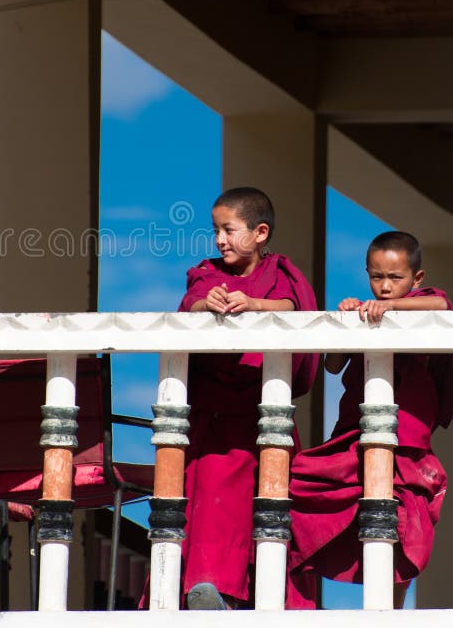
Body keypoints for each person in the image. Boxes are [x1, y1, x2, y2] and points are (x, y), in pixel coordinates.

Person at [288, 230, 453, 608]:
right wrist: (348, 319)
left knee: (400, 523)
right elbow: (334, 366)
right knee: (297, 491)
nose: (384, 287)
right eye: (376, 277)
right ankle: (298, 600)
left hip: (406, 442)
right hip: (353, 433)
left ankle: (393, 610)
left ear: (415, 279)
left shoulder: (422, 303)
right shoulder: (367, 311)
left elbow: (442, 306)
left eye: (395, 278)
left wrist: (393, 310)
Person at [177, 187, 319, 609]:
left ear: (259, 233)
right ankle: (210, 591)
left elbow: (297, 308)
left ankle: (257, 600)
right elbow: (190, 303)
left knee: (268, 512)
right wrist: (208, 304)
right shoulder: (207, 272)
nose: (220, 240)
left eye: (229, 230)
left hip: (262, 417)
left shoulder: (281, 272)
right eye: (215, 230)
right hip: (216, 422)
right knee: (212, 508)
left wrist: (255, 302)